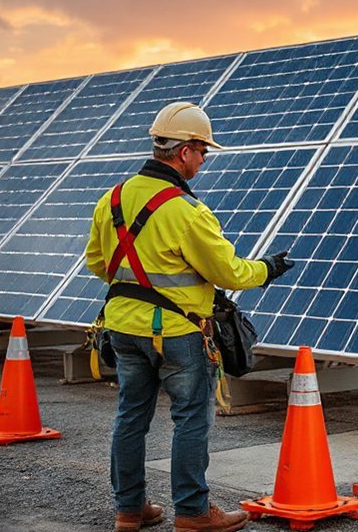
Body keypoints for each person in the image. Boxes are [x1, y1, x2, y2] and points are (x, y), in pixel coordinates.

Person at [86, 101, 294, 532]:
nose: (203, 159)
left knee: (130, 419)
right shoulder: (186, 210)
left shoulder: (113, 199)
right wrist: (269, 268)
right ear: (184, 151)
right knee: (191, 421)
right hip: (179, 333)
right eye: (203, 151)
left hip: (122, 327)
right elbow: (228, 271)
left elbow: (97, 262)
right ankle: (194, 514)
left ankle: (129, 510)